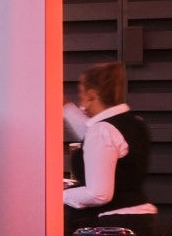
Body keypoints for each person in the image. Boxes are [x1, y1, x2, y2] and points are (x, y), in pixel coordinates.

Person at [62, 60, 154, 227]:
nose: (81, 99)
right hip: (140, 219)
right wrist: (65, 108)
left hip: (112, 225)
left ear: (91, 95)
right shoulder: (134, 123)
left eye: (81, 93)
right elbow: (93, 136)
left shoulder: (102, 130)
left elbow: (98, 194)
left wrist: (57, 196)